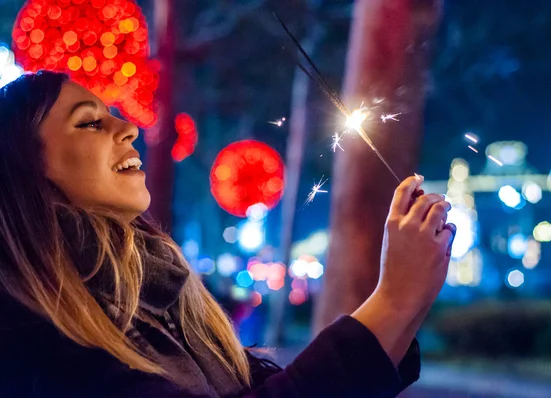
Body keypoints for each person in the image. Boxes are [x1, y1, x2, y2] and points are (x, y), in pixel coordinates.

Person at [0, 71, 455, 398]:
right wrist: (393, 301)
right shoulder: (40, 338)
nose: (129, 128)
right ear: (25, 172)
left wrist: (406, 298)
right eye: (90, 122)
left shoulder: (159, 294)